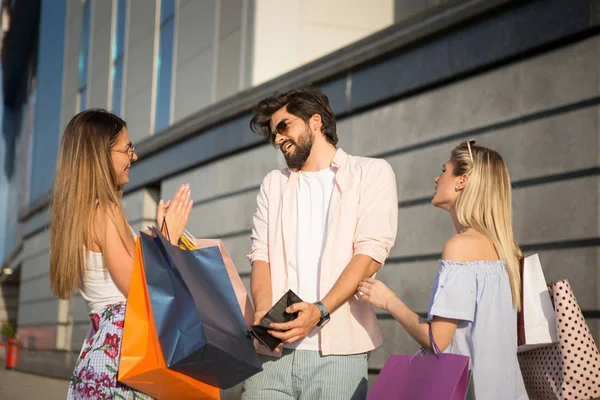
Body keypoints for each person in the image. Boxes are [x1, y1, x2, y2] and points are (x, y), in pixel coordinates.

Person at [242, 87, 398, 400]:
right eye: (273, 134)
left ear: (315, 122)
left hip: (338, 356)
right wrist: (262, 312)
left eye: (284, 126)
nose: (278, 139)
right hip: (273, 355)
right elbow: (262, 257)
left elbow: (369, 255)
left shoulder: (370, 173)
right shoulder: (274, 184)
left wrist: (320, 310)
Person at [358, 140, 528, 400]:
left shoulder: (460, 248)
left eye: (444, 170)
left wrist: (388, 301)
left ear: (462, 181)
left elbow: (437, 340)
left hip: (471, 391)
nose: (437, 178)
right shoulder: (506, 251)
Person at [49, 109, 193, 399]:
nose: (134, 157)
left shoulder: (78, 216)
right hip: (124, 360)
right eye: (127, 148)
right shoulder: (105, 212)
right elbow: (141, 291)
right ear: (101, 154)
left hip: (100, 353)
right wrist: (169, 238)